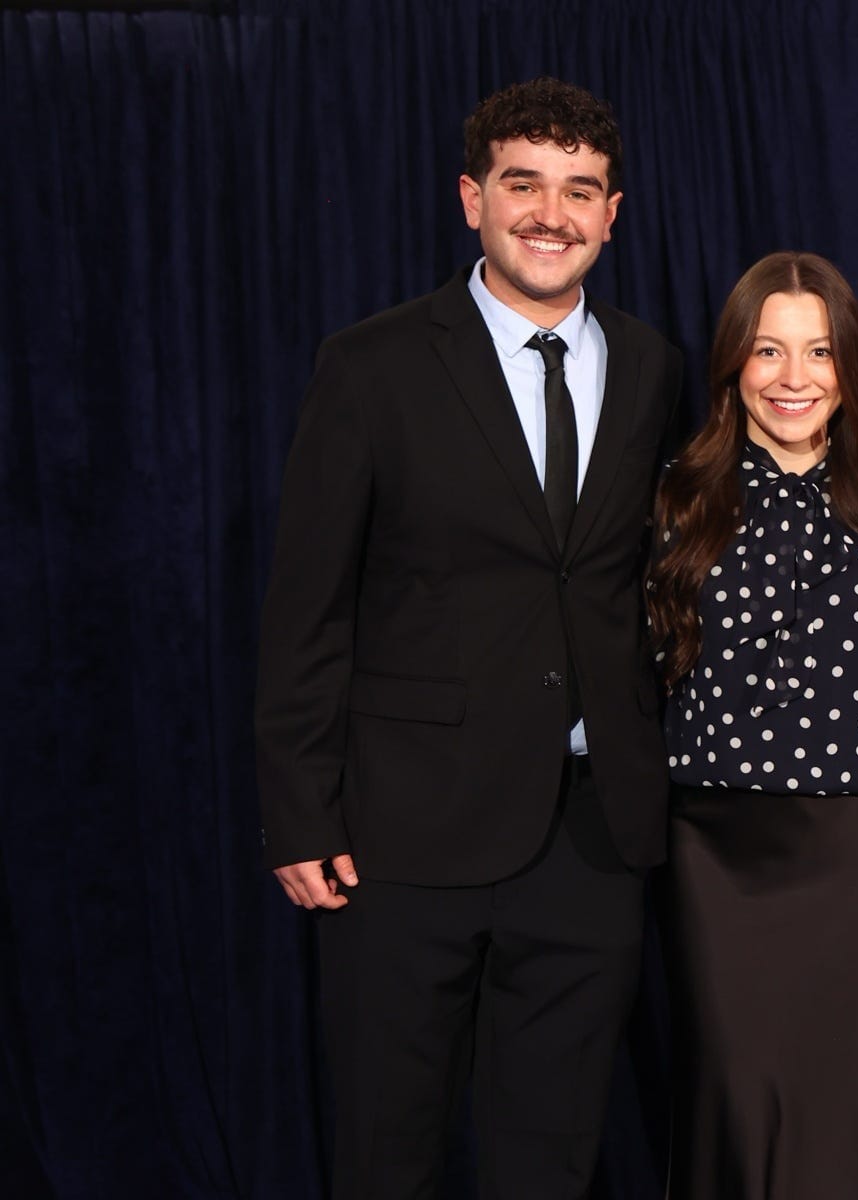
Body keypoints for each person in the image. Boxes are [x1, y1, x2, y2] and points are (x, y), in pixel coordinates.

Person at [254, 77, 682, 1198]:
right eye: (523, 185)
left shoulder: (651, 368)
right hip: (402, 833)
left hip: (592, 832)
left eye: (579, 191)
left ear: (613, 211)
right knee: (387, 1148)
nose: (552, 213)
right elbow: (309, 603)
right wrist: (302, 805)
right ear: (471, 199)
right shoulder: (373, 364)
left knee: (552, 1153)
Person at [646, 251, 858, 1199]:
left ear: (850, 371)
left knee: (840, 1106)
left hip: (857, 851)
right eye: (768, 351)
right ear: (734, 366)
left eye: (818, 353)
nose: (793, 378)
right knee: (733, 1091)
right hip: (715, 849)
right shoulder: (676, 500)